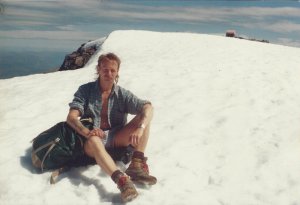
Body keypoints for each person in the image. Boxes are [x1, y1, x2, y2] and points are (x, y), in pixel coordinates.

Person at [66, 52, 156, 202]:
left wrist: (140, 127)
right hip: (93, 140)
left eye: (113, 70)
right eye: (105, 69)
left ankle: (136, 165)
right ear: (99, 69)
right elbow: (71, 117)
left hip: (116, 138)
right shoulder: (85, 90)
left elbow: (147, 107)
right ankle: (122, 181)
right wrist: (88, 132)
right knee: (95, 140)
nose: (109, 73)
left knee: (146, 114)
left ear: (117, 72)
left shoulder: (122, 94)